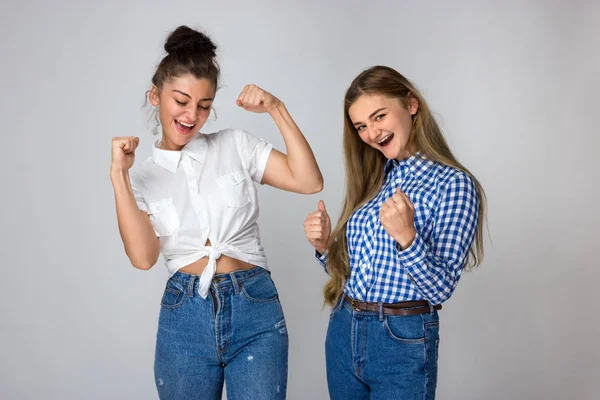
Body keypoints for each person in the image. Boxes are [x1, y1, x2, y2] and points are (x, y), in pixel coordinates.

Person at [110, 25, 323, 399]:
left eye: (204, 106)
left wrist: (276, 109)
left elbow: (308, 181)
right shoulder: (141, 178)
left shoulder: (234, 145)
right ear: (155, 96)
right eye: (181, 101)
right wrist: (119, 175)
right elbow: (143, 258)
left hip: (254, 307)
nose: (192, 115)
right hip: (185, 318)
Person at [303, 65, 486, 399]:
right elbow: (356, 272)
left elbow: (441, 289)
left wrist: (408, 238)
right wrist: (324, 247)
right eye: (361, 126)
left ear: (411, 104)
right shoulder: (375, 179)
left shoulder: (454, 185)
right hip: (345, 328)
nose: (372, 133)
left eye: (379, 116)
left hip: (401, 340)